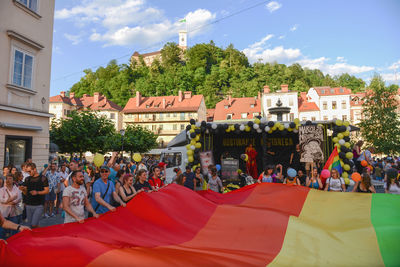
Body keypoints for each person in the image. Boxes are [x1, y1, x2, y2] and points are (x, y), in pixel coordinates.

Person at [20, 163, 49, 228]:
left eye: (30, 171)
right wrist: (23, 190)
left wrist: (37, 192)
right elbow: (26, 193)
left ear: (35, 169)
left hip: (39, 204)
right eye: (27, 171)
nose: (28, 173)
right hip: (29, 204)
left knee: (34, 224)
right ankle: (36, 235)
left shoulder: (43, 178)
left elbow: (47, 190)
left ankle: (38, 234)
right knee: (31, 225)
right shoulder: (27, 179)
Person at [0, 174, 23, 238]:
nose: (8, 180)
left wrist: (9, 202)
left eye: (10, 178)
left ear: (13, 180)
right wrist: (11, 199)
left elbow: (18, 199)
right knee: (2, 231)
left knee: (14, 231)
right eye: (7, 179)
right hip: (3, 213)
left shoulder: (17, 189)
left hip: (13, 213)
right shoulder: (2, 190)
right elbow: (1, 200)